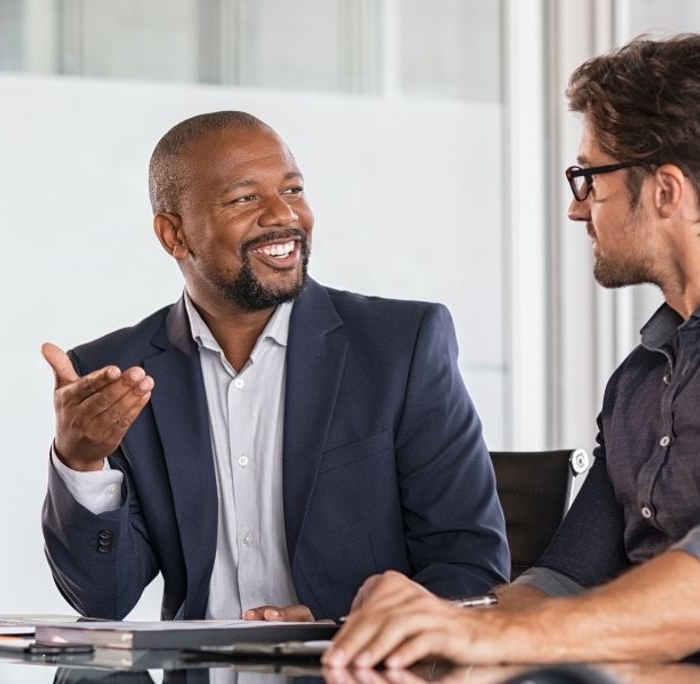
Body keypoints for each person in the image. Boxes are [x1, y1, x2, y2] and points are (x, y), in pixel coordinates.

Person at [326, 34, 700, 675]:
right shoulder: (641, 378)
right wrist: (434, 623)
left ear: (666, 190)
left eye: (589, 177)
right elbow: (561, 584)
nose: (577, 207)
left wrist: (501, 644)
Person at [39, 111, 509, 622]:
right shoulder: (116, 375)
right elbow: (103, 599)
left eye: (292, 190)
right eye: (245, 198)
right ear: (173, 235)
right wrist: (80, 463)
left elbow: (470, 568)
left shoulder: (401, 348)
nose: (282, 215)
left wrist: (341, 631)